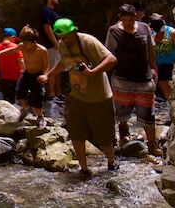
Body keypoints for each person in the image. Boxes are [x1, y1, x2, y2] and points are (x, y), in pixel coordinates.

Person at [40, 18, 118, 177]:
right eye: (61, 38)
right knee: (76, 133)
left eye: (67, 36)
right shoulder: (62, 45)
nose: (65, 40)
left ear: (74, 31)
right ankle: (84, 169)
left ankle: (111, 162)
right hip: (76, 97)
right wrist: (48, 75)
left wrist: (93, 72)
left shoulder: (88, 42)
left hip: (99, 97)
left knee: (103, 135)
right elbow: (64, 62)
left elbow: (111, 59)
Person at [105, 4, 162, 156]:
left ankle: (152, 144)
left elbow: (150, 48)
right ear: (120, 18)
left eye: (131, 20)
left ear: (135, 16)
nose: (129, 23)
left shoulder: (144, 28)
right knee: (121, 110)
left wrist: (153, 67)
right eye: (125, 20)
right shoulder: (114, 31)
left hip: (144, 77)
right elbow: (109, 53)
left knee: (148, 112)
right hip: (122, 78)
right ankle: (124, 132)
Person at [0, 25, 48, 126]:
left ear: (34, 42)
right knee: (19, 92)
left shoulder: (42, 50)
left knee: (36, 97)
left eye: (27, 43)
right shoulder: (22, 46)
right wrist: (0, 53)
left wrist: (45, 75)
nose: (25, 45)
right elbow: (12, 50)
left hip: (37, 75)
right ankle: (25, 109)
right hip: (26, 73)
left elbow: (46, 66)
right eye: (23, 42)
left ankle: (40, 116)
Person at [148, 14, 175, 100]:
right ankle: (169, 101)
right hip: (159, 64)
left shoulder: (171, 32)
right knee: (164, 85)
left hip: (172, 64)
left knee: (172, 84)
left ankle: (174, 101)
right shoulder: (152, 33)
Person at [38, 0, 63, 101]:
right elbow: (47, 27)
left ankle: (58, 93)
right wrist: (54, 42)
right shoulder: (46, 11)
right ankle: (51, 95)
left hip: (59, 45)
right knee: (53, 68)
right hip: (51, 45)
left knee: (59, 68)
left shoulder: (54, 13)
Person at [0, 27, 24, 102]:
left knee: (7, 100)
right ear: (12, 37)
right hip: (17, 77)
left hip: (4, 77)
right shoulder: (15, 47)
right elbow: (21, 61)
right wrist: (26, 73)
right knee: (19, 99)